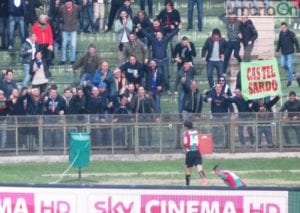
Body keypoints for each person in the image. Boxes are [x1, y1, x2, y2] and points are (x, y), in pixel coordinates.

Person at [140, 26, 180, 94]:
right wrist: (140, 28)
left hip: (164, 61)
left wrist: (178, 28)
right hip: (155, 62)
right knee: (157, 76)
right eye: (157, 35)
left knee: (166, 75)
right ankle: (158, 89)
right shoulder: (153, 40)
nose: (158, 36)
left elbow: (172, 34)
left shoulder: (165, 39)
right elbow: (147, 34)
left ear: (162, 35)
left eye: (159, 34)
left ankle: (167, 89)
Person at [58, 0, 83, 65]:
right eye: (67, 3)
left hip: (73, 29)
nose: (68, 4)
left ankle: (73, 59)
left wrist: (84, 3)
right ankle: (63, 60)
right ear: (65, 3)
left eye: (70, 2)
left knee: (73, 45)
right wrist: (57, 4)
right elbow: (57, 11)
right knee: (63, 45)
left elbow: (81, 8)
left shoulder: (76, 7)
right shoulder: (62, 7)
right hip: (65, 29)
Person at [183, 120, 207, 186]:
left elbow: (185, 143)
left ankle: (187, 184)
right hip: (197, 151)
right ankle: (204, 179)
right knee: (199, 167)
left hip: (190, 152)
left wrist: (185, 147)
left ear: (186, 127)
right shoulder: (196, 132)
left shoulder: (186, 133)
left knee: (188, 169)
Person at [276, 22, 300, 87]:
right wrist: (277, 50)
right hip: (283, 53)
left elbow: (296, 42)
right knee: (283, 65)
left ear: (286, 27)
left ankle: (290, 81)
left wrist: (298, 51)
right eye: (281, 27)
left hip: (290, 53)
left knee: (290, 66)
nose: (282, 28)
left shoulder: (291, 34)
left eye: (284, 27)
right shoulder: (280, 34)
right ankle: (292, 72)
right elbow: (279, 43)